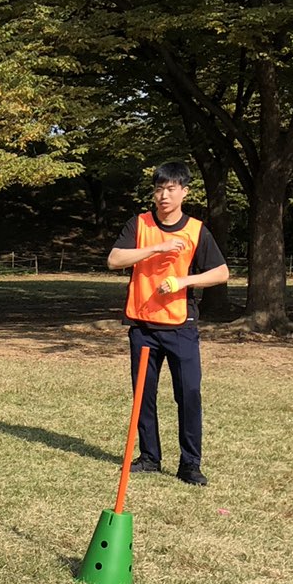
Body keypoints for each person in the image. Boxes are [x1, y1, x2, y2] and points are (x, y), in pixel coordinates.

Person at [106, 162, 229, 487]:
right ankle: (149, 457)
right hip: (143, 327)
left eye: (171, 189)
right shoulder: (140, 224)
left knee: (188, 394)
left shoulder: (196, 230)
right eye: (159, 189)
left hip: (181, 326)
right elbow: (114, 259)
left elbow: (221, 273)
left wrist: (183, 282)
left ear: (184, 192)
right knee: (143, 396)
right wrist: (156, 248)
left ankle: (190, 464)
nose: (164, 195)